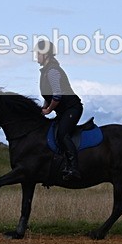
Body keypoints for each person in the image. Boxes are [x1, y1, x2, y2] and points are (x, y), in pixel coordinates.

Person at [36, 39, 82, 181]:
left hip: (72, 109)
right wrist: (43, 107)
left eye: (38, 53)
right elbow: (49, 95)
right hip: (62, 111)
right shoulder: (45, 71)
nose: (36, 56)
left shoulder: (53, 71)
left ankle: (74, 168)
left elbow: (57, 95)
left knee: (62, 134)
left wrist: (48, 110)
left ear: (46, 54)